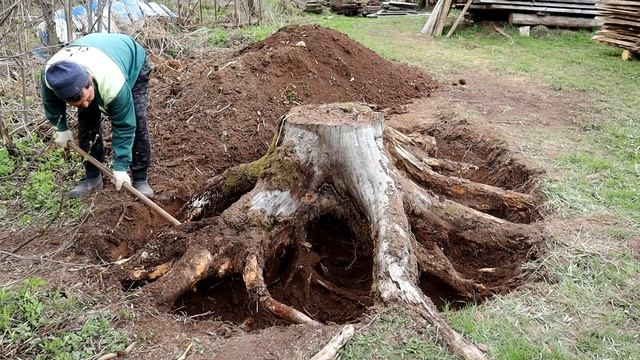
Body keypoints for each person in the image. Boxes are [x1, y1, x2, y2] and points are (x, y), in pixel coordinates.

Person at [41, 33, 154, 198]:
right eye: (79, 104)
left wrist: (120, 166)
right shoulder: (52, 78)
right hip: (90, 52)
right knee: (87, 121)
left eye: (87, 98)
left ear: (90, 79)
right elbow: (51, 104)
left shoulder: (113, 83)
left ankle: (140, 178)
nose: (85, 104)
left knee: (136, 117)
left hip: (131, 59)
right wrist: (61, 128)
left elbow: (125, 125)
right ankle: (93, 177)